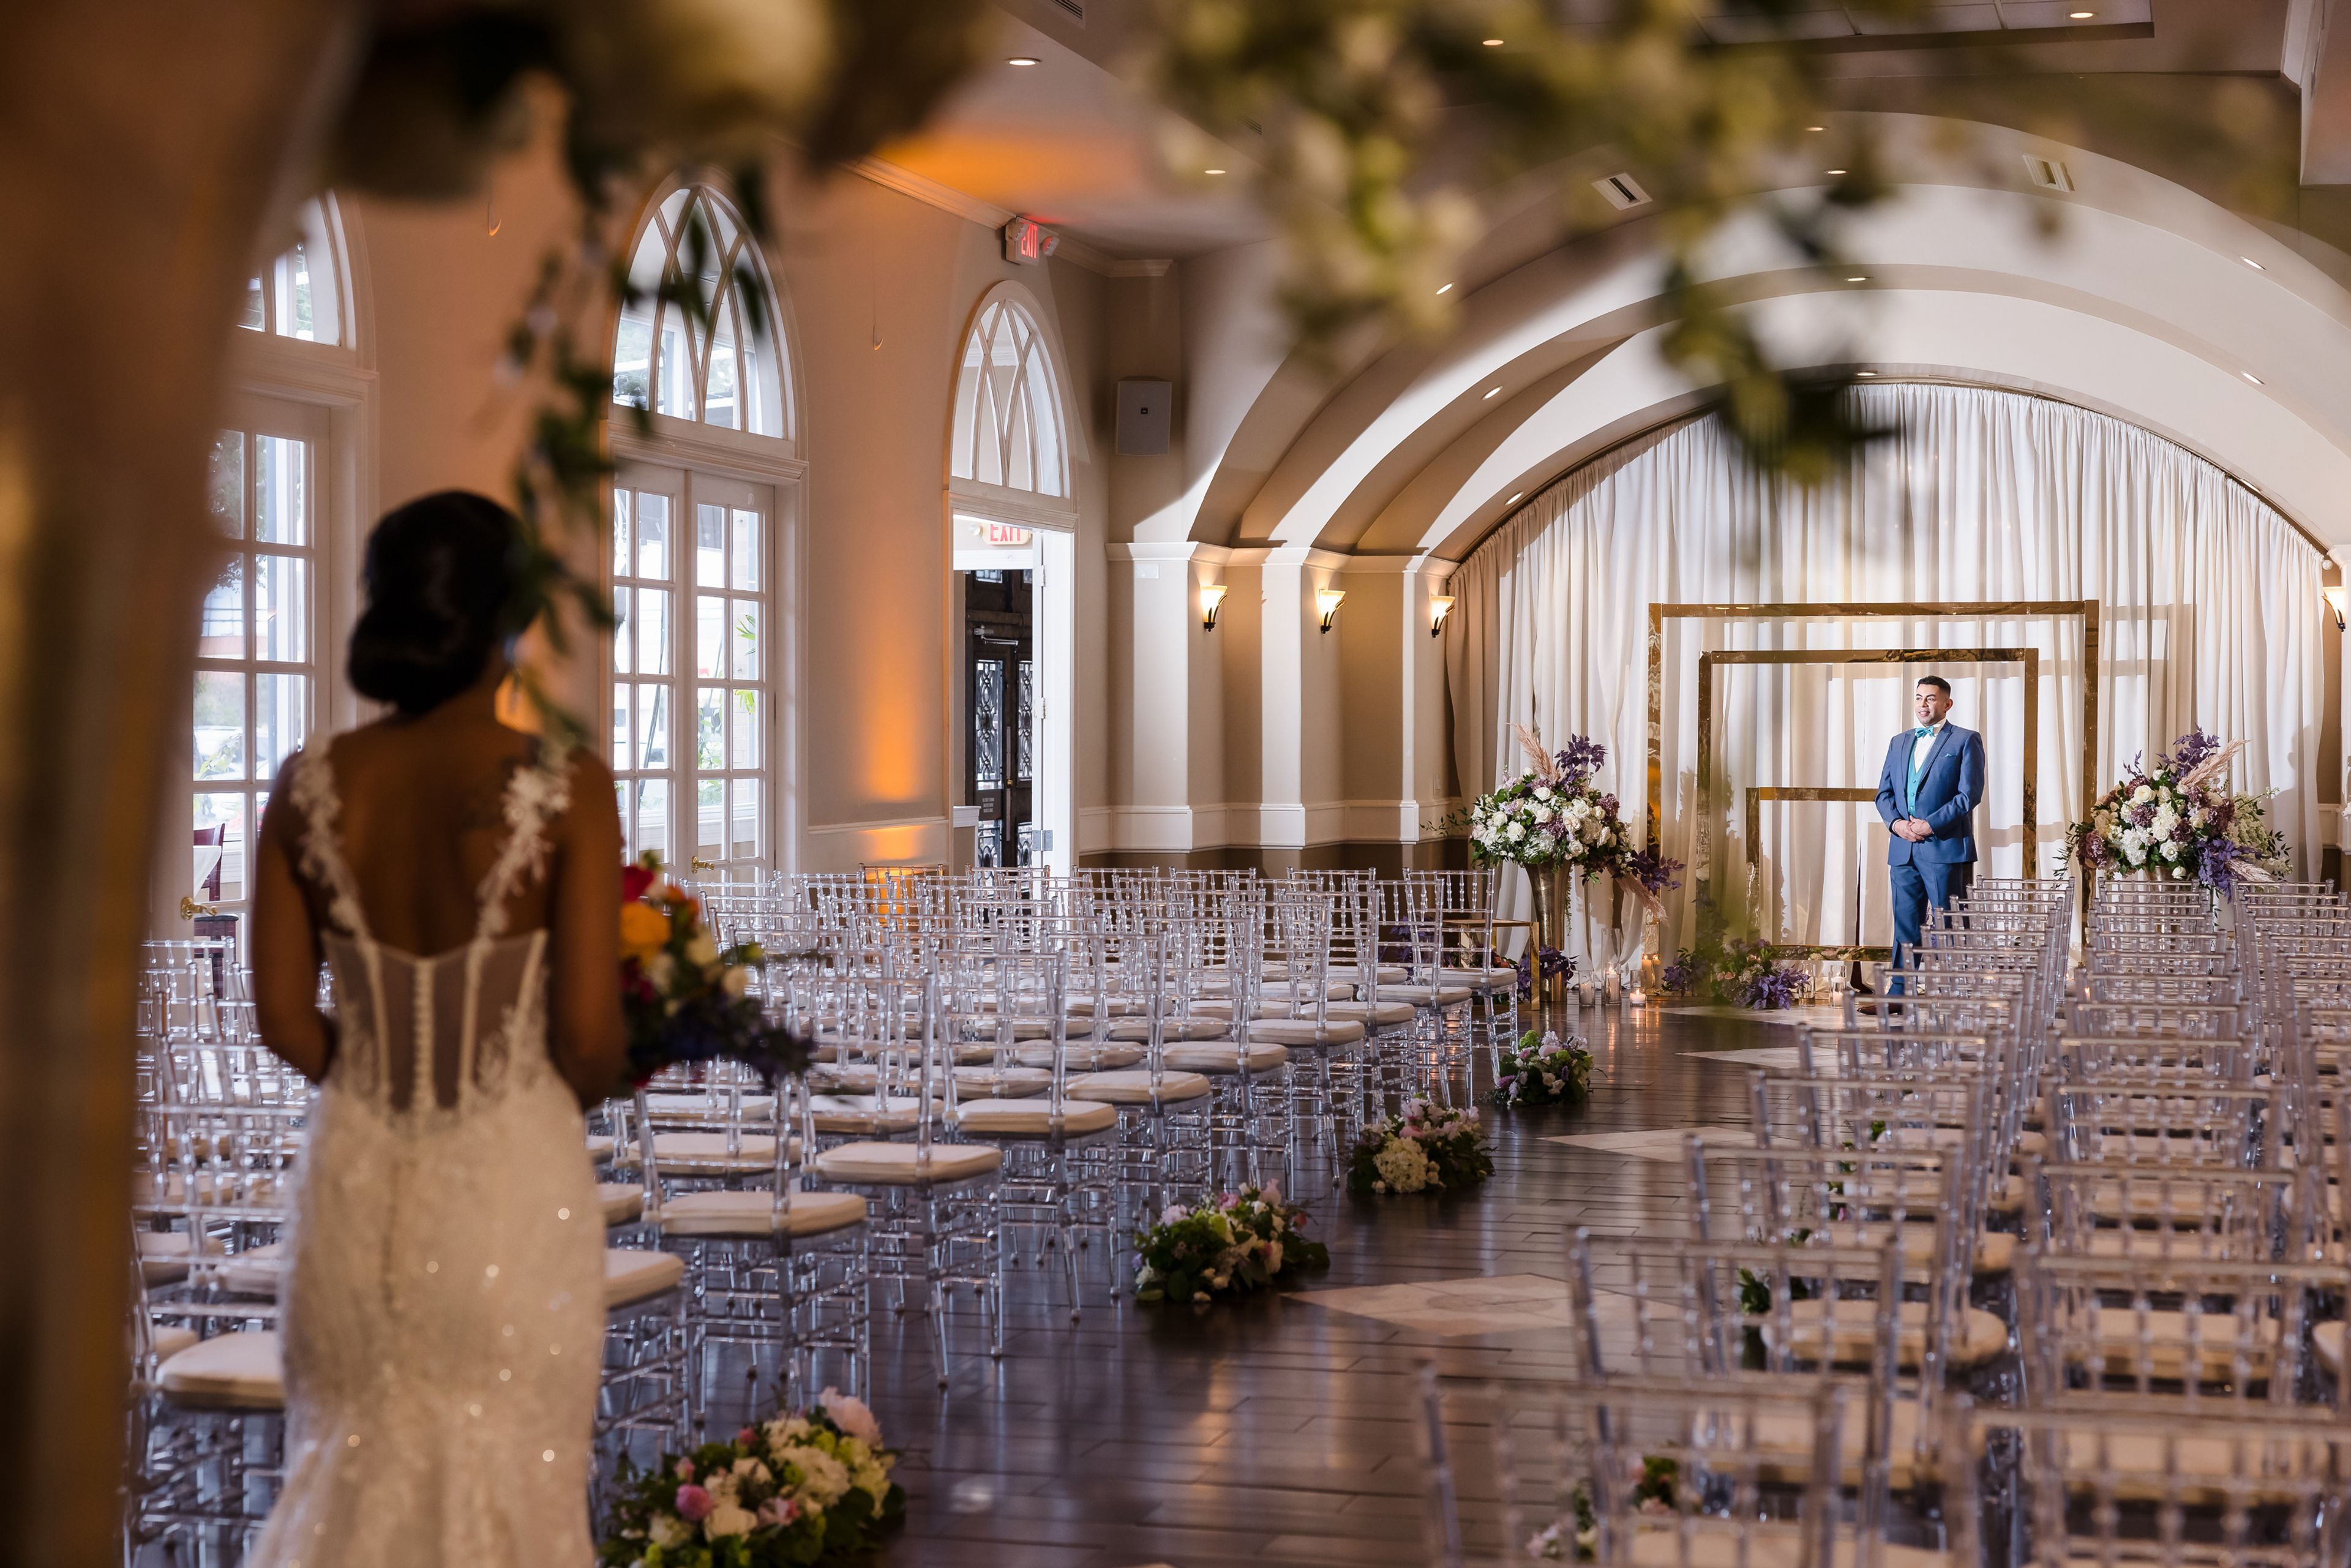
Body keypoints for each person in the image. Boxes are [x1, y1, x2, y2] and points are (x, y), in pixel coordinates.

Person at [247, 490, 624, 1562]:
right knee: (514, 1487)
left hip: (355, 1182)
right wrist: (513, 1090)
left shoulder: (309, 786)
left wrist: (378, 1079)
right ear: (511, 618)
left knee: (349, 1462)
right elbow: (588, 1042)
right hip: (510, 1180)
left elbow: (282, 1019)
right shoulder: (565, 787)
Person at [1873, 675, 1984, 996]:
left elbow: (1968, 796)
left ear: (1947, 704)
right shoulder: (1899, 742)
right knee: (1905, 923)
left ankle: (1954, 992)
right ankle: (1900, 991)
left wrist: (1929, 825)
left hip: (1943, 847)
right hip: (1903, 847)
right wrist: (1897, 825)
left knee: (1949, 923)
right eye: (1919, 698)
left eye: (1931, 698)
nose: (1923, 704)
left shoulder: (1965, 740)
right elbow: (1884, 794)